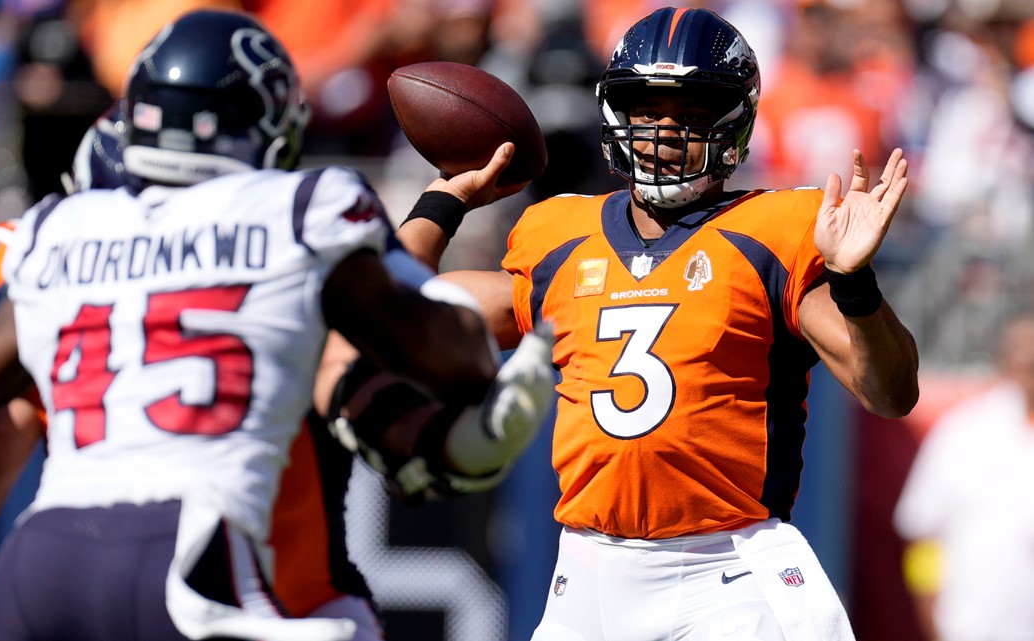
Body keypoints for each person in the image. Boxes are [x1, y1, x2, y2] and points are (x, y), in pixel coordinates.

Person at [0, 9, 554, 641]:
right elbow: (406, 340)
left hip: (44, 559)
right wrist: (459, 425)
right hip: (206, 549)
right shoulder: (295, 213)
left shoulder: (52, 235)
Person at [396, 6, 919, 641]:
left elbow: (890, 394)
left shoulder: (771, 233)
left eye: (692, 109)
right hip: (588, 569)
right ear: (615, 113)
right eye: (646, 108)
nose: (666, 130)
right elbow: (402, 309)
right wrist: (445, 198)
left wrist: (854, 282)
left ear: (735, 121)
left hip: (730, 571)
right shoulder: (559, 234)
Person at [894, 313, 1034, 641]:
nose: (1029, 360)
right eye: (1021, 351)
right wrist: (932, 621)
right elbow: (922, 534)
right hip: (972, 629)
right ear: (1004, 359)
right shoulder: (963, 433)